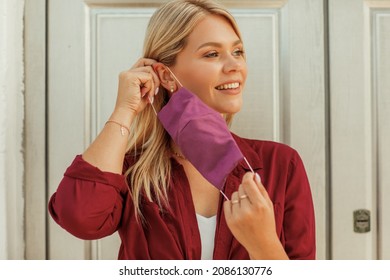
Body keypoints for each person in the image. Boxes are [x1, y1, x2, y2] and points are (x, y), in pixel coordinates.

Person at [48, 0, 315, 260]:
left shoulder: (280, 165)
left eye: (238, 51)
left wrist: (263, 244)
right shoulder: (130, 171)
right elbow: (79, 219)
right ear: (165, 76)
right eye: (212, 54)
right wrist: (124, 110)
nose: (235, 66)